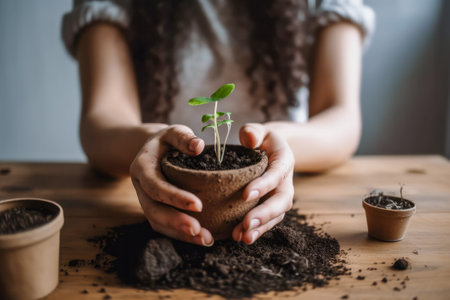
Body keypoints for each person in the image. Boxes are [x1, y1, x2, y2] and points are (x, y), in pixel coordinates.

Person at [62, 0, 374, 247]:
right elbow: (101, 123)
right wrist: (152, 143)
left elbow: (341, 119)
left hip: (282, 203)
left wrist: (279, 142)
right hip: (156, 207)